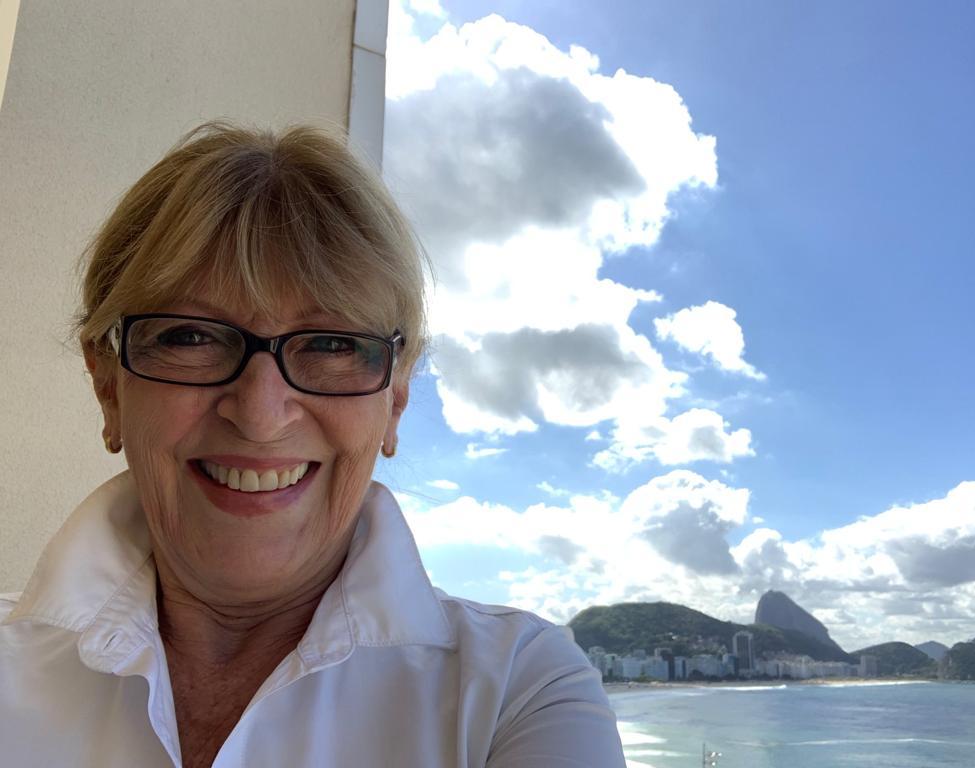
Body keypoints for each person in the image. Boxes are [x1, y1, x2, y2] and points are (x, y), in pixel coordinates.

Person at [0, 123, 626, 767]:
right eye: (190, 336)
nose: (260, 416)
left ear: (397, 397)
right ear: (107, 384)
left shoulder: (518, 692)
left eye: (332, 344)